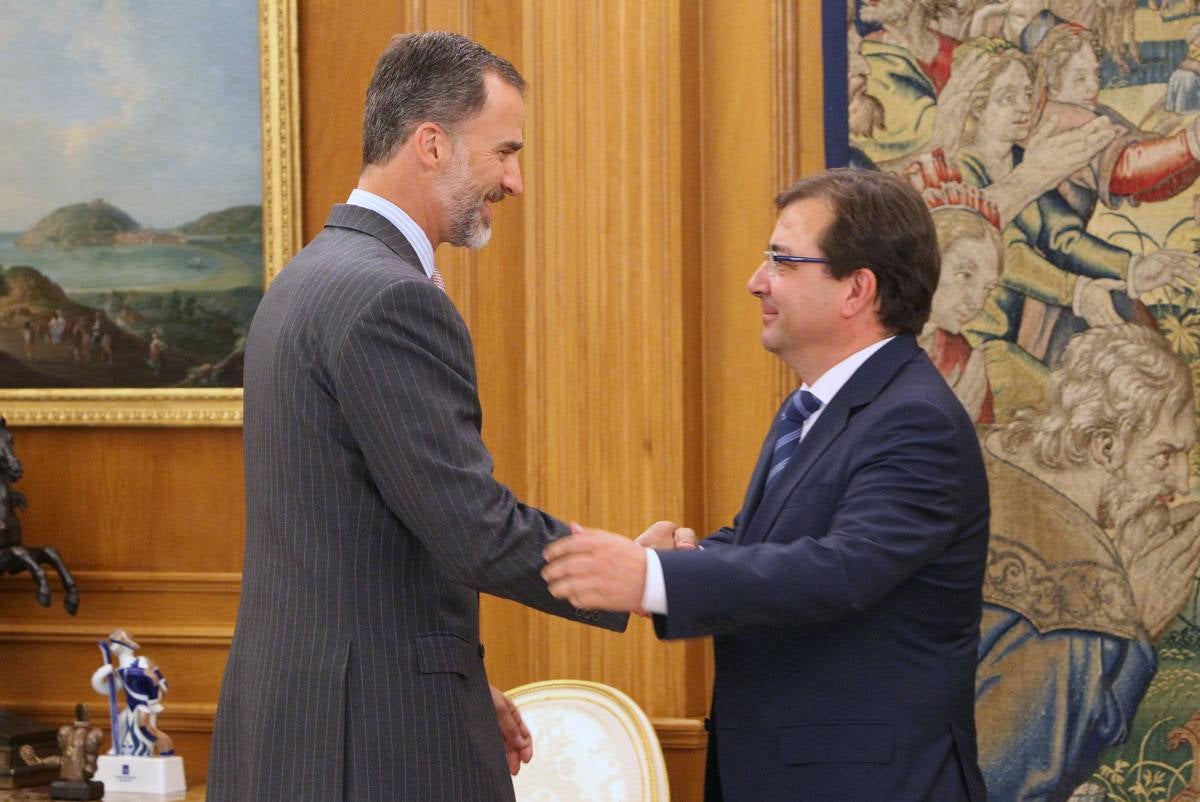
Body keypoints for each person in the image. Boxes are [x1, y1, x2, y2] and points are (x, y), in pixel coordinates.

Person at [207, 32, 627, 802]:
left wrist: (454, 676)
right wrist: (632, 575)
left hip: (305, 728)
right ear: (431, 143)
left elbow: (359, 539)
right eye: (504, 150)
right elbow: (469, 526)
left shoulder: (304, 278)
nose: (516, 179)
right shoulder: (388, 298)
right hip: (371, 746)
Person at [543, 168, 990, 801]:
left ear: (857, 289)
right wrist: (684, 561)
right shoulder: (810, 408)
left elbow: (841, 570)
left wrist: (653, 579)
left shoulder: (915, 420)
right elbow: (786, 546)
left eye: (782, 261)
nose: (757, 282)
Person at [975, 324, 1200, 801]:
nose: (1181, 482)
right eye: (1165, 455)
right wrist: (1135, 630)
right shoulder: (1077, 596)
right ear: (1104, 445)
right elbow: (1015, 783)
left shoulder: (977, 451)